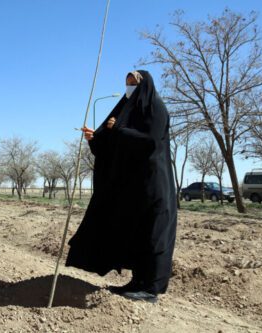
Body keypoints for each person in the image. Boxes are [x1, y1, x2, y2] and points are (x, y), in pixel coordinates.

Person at [64, 70, 177, 303]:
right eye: (127, 84)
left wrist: (119, 131)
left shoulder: (156, 108)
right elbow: (110, 145)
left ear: (144, 86)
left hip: (154, 183)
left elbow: (150, 141)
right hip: (134, 187)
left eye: (133, 84)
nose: (129, 88)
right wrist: (94, 139)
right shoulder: (124, 110)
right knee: (136, 231)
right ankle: (137, 281)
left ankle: (151, 288)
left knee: (153, 233)